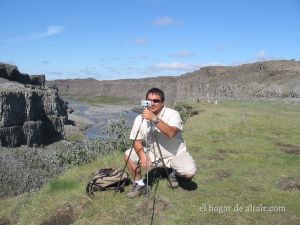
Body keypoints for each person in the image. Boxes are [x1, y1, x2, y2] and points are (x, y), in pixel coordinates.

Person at [124, 88, 197, 198]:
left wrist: (154, 118)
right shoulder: (140, 119)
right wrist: (142, 155)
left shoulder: (173, 114)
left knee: (189, 172)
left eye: (156, 101)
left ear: (163, 102)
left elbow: (171, 133)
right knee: (128, 155)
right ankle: (140, 185)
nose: (152, 103)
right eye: (149, 100)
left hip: (175, 154)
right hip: (155, 154)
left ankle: (174, 174)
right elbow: (136, 140)